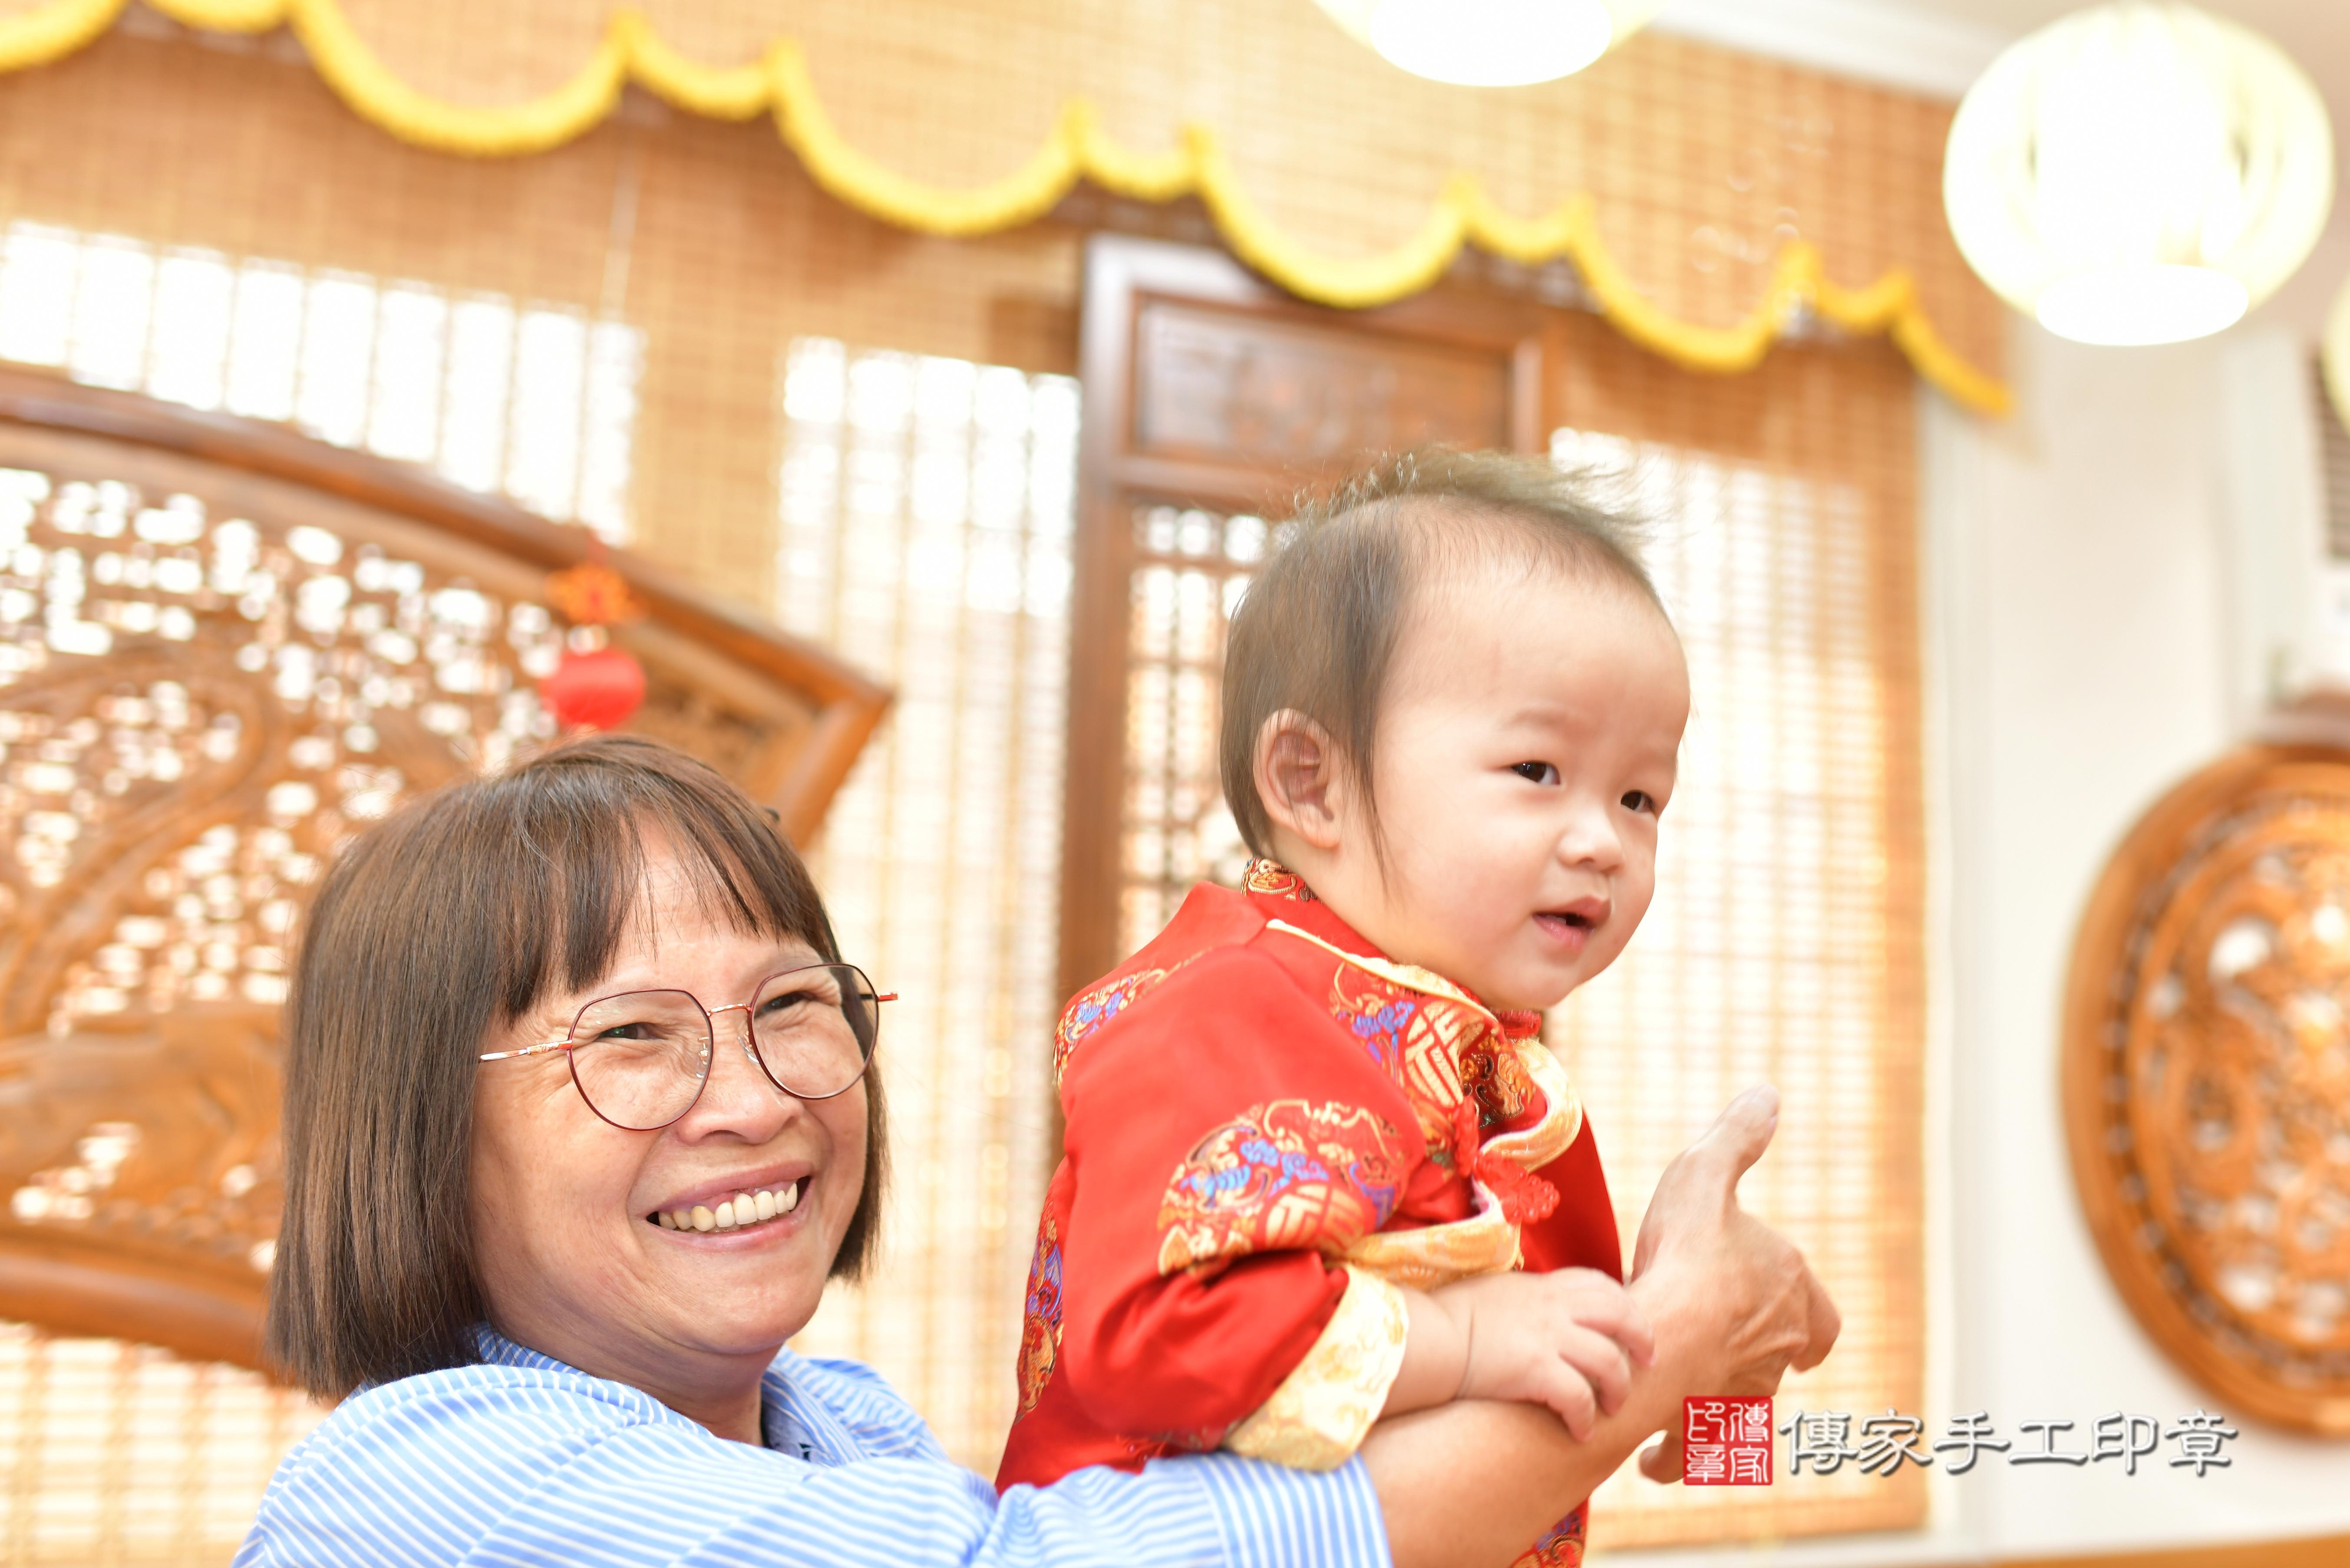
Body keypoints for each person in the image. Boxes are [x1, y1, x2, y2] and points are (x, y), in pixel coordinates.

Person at [237, 732, 1835, 1568]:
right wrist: (1661, 1346)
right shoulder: (432, 1483)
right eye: (631, 1038)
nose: (752, 1100)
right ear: (419, 1139)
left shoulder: (834, 1426)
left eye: (795, 1005)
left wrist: (1686, 1381)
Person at [996, 451, 1733, 1566]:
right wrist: (1467, 1335)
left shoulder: (1487, 1065)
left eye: (1642, 796)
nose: (1603, 840)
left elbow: (1604, 1344)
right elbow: (1159, 1332)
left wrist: (1722, 1412)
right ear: (1311, 781)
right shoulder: (1225, 1005)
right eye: (1539, 769)